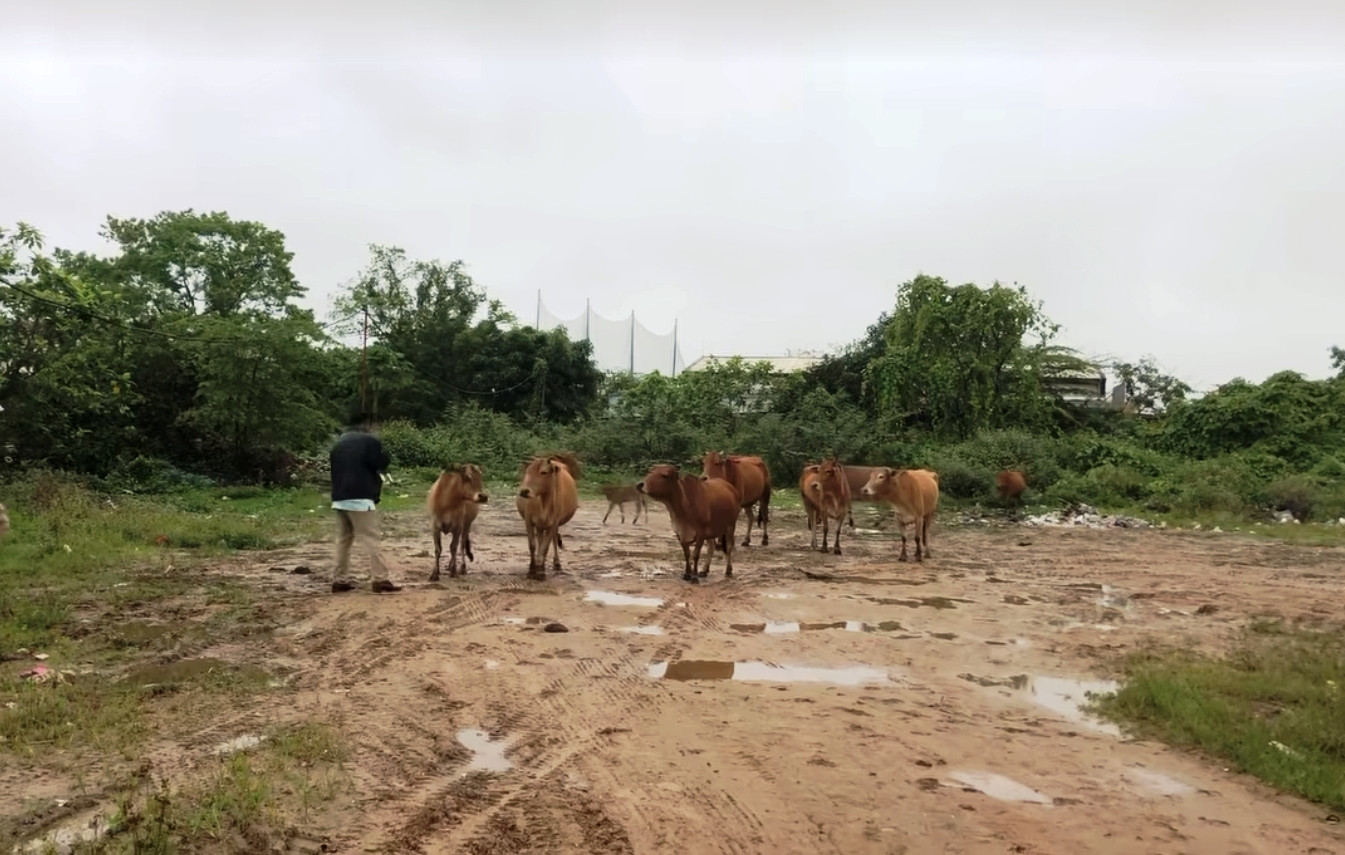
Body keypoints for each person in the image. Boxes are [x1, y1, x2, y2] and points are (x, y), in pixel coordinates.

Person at [329, 412, 401, 593]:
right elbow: (381, 463)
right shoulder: (370, 442)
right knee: (371, 538)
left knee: (344, 539)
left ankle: (339, 579)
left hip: (339, 497)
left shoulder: (338, 444)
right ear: (368, 424)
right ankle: (380, 579)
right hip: (361, 497)